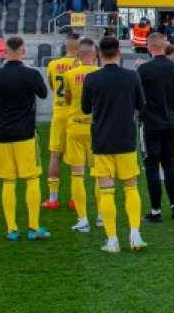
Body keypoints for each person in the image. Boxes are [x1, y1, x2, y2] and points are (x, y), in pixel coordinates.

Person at [81, 35, 147, 253]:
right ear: (119, 53)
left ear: (99, 55)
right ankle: (135, 235)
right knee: (131, 188)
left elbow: (85, 108)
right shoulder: (132, 76)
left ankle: (112, 240)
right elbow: (141, 105)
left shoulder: (91, 79)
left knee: (107, 191)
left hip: (102, 139)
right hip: (125, 138)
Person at [0, 35, 51, 241]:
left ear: (5, 52)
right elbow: (43, 94)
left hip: (5, 133)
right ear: (23, 51)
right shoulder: (31, 74)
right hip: (26, 132)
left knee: (8, 180)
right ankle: (33, 227)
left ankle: (11, 229)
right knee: (32, 178)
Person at [137, 32, 174, 224]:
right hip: (168, 121)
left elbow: (137, 93)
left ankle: (156, 211)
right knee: (169, 163)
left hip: (150, 122)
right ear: (164, 47)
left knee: (152, 166)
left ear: (150, 48)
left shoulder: (144, 69)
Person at [63, 38, 101, 233]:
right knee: (99, 174)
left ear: (79, 54)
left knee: (77, 175)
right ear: (94, 55)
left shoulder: (70, 74)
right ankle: (101, 216)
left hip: (75, 126)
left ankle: (83, 220)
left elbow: (67, 98)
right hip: (96, 128)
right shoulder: (100, 73)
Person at [42, 33, 80, 210]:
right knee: (76, 159)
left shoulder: (53, 64)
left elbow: (52, 86)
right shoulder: (81, 66)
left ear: (65, 46)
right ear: (78, 48)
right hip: (74, 114)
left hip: (58, 113)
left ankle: (53, 198)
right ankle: (74, 198)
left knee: (55, 156)